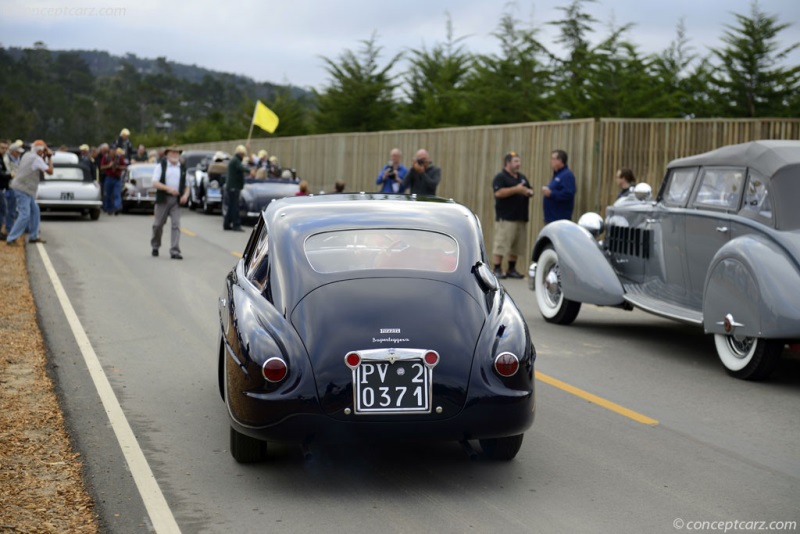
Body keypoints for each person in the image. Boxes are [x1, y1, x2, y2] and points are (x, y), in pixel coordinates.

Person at [492, 151, 534, 279]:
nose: (518, 164)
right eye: (515, 161)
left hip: (520, 216)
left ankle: (511, 268)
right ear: (508, 163)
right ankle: (497, 268)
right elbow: (498, 193)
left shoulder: (521, 177)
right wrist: (516, 189)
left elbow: (529, 189)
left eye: (519, 161)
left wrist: (529, 191)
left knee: (517, 245)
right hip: (506, 217)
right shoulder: (501, 177)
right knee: (501, 243)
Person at [6, 140, 52, 246]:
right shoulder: (36, 159)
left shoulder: (27, 155)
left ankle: (33, 236)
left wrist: (43, 155)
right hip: (23, 189)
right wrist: (49, 157)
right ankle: (11, 238)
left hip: (24, 188)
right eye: (43, 150)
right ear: (40, 151)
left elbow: (39, 165)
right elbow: (50, 171)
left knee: (35, 210)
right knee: (24, 215)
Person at [150, 146, 190, 259]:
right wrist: (168, 188)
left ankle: (175, 251)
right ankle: (155, 245)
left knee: (176, 225)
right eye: (172, 152)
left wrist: (185, 195)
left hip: (176, 200)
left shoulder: (182, 168)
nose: (175, 155)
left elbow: (187, 186)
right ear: (167, 154)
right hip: (163, 198)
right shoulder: (161, 166)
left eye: (177, 153)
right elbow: (155, 183)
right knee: (158, 224)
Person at [542, 149, 576, 223]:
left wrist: (551, 194)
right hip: (551, 218)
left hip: (559, 219)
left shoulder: (567, 176)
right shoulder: (557, 175)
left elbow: (568, 194)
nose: (551, 161)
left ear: (560, 161)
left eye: (553, 159)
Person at [224, 145, 250, 232]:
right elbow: (241, 168)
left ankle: (227, 224)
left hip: (232, 187)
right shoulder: (236, 160)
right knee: (234, 206)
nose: (243, 156)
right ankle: (236, 224)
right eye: (243, 154)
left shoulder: (235, 160)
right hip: (234, 187)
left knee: (231, 206)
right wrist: (249, 170)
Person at [4, 141, 24, 234]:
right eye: (17, 152)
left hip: (17, 186)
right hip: (9, 186)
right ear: (12, 151)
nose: (19, 154)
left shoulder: (18, 159)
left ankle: (11, 228)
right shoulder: (6, 159)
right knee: (9, 209)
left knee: (13, 209)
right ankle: (9, 229)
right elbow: (8, 173)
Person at [100, 147, 127, 215]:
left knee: (116, 194)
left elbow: (124, 167)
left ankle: (117, 207)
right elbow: (101, 167)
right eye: (112, 151)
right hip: (109, 178)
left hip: (117, 178)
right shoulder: (105, 157)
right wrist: (109, 166)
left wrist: (118, 167)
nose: (113, 153)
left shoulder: (119, 157)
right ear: (109, 152)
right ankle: (109, 209)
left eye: (114, 151)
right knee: (108, 194)